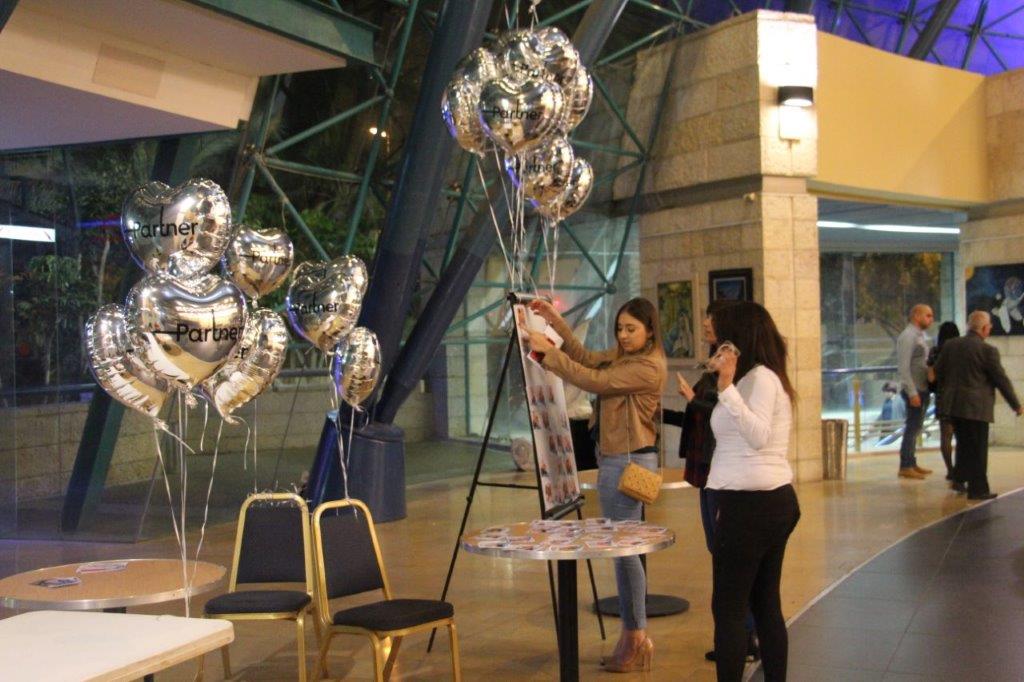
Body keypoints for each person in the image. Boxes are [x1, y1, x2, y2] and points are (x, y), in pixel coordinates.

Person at [525, 297, 665, 674]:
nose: (623, 335)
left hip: (628, 463)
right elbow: (587, 358)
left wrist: (548, 354)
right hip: (617, 459)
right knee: (623, 551)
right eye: (619, 328)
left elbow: (595, 381)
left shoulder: (647, 366)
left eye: (631, 329)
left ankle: (636, 636)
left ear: (650, 331)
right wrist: (555, 321)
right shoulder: (626, 357)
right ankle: (633, 635)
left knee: (625, 552)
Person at [704, 301, 800, 682]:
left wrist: (726, 389)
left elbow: (758, 435)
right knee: (763, 603)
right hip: (763, 501)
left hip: (751, 505)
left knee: (728, 609)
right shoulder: (758, 377)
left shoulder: (760, 378)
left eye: (722, 333)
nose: (717, 341)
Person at [663, 300, 759, 664]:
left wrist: (692, 400)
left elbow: (725, 412)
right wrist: (665, 412)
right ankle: (739, 636)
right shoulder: (715, 362)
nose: (704, 323)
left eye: (711, 318)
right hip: (707, 468)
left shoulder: (736, 367)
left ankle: (743, 638)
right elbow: (703, 414)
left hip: (723, 470)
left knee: (727, 556)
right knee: (718, 552)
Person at [934, 311, 1023, 500]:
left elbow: (938, 371)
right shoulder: (987, 350)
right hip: (976, 407)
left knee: (964, 445)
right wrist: (1016, 405)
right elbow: (1001, 380)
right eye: (989, 326)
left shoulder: (950, 345)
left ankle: (959, 479)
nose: (990, 328)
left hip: (953, 405)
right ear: (983, 328)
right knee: (978, 449)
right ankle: (978, 489)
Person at [895, 304, 935, 479]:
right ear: (916, 315)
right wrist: (912, 392)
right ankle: (905, 465)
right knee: (912, 427)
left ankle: (911, 461)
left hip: (922, 387)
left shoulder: (919, 336)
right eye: (928, 315)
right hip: (915, 389)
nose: (931, 319)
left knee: (916, 426)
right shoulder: (908, 336)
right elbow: (903, 367)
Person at [927, 321, 961, 480]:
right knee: (962, 436)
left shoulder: (935, 351)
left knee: (945, 436)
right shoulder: (961, 350)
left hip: (942, 396)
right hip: (960, 396)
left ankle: (950, 470)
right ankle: (960, 468)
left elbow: (931, 378)